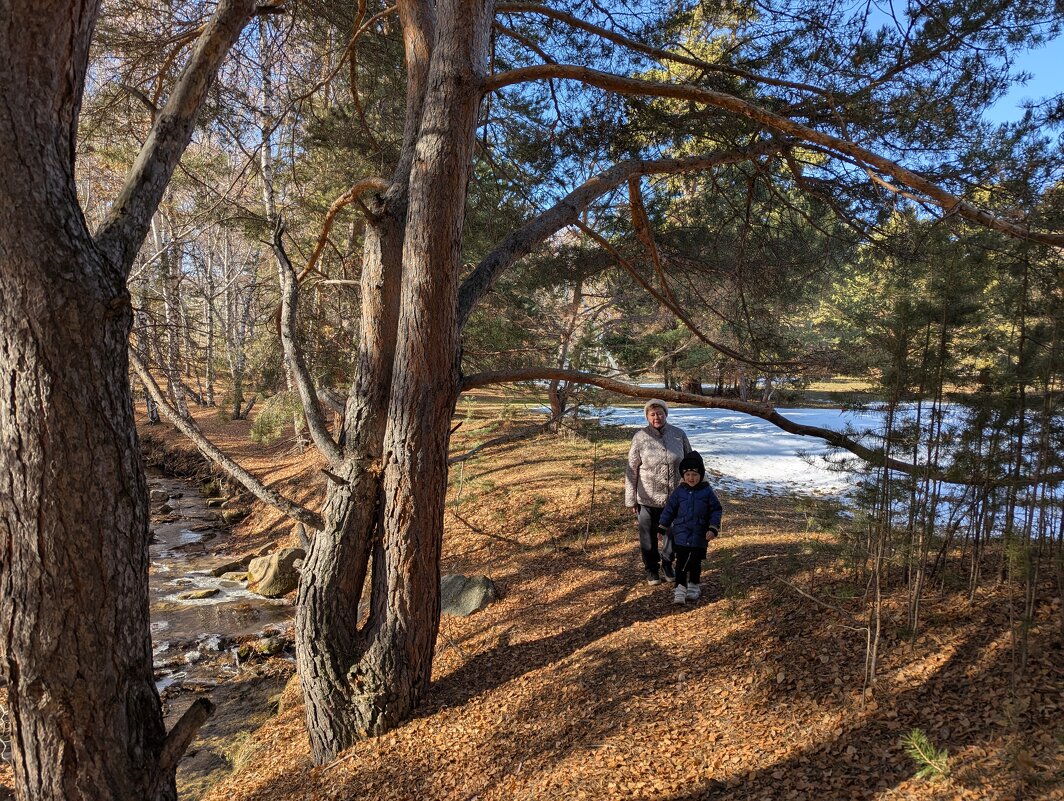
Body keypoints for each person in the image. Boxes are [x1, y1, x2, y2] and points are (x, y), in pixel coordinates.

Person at [624, 399, 692, 585]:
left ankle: (667, 563)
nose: (657, 417)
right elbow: (632, 469)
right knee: (648, 536)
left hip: (675, 497)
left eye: (660, 413)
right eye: (652, 414)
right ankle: (652, 569)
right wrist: (631, 500)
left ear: (666, 414)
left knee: (673, 534)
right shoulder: (640, 437)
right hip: (647, 497)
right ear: (647, 416)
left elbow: (690, 462)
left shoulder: (679, 434)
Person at [658, 451, 723, 605]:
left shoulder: (707, 491)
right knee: (681, 562)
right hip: (681, 533)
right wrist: (662, 526)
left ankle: (694, 585)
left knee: (695, 561)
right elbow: (670, 509)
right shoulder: (679, 491)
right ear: (683, 475)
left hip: (700, 534)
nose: (691, 478)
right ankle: (680, 589)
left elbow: (716, 509)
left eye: (694, 474)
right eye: (687, 475)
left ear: (700, 474)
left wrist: (713, 528)